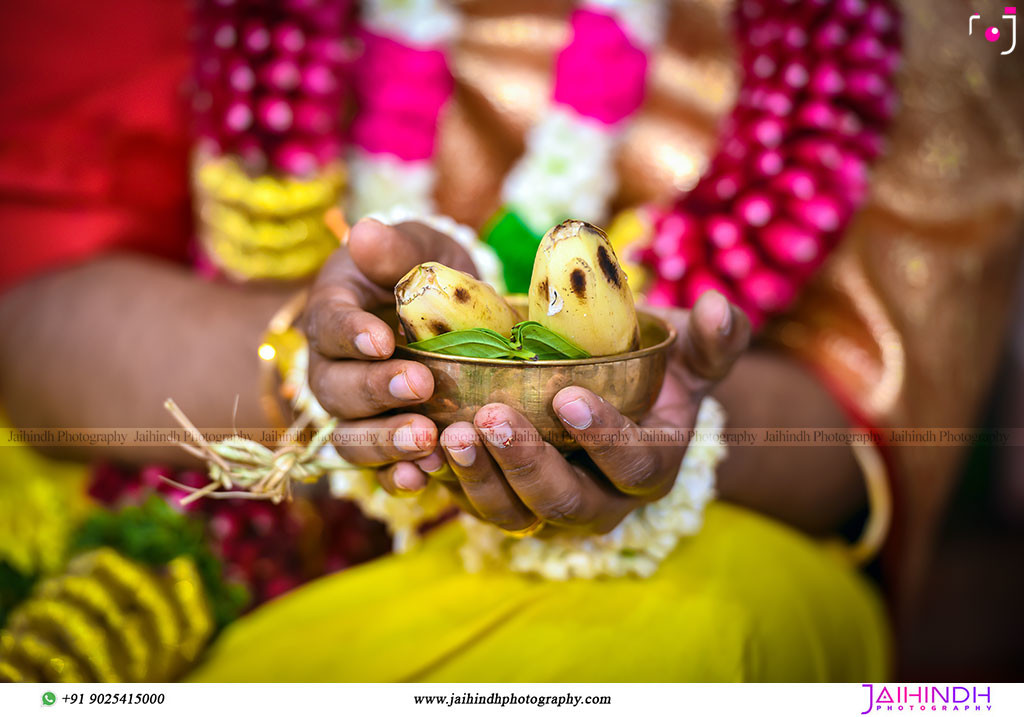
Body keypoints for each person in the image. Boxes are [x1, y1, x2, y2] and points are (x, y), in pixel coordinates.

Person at [1, 0, 1021, 682]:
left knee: (669, 645)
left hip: (688, 545)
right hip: (198, 495)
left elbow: (872, 430)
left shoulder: (927, 25)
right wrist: (338, 369)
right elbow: (31, 340)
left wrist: (672, 421)